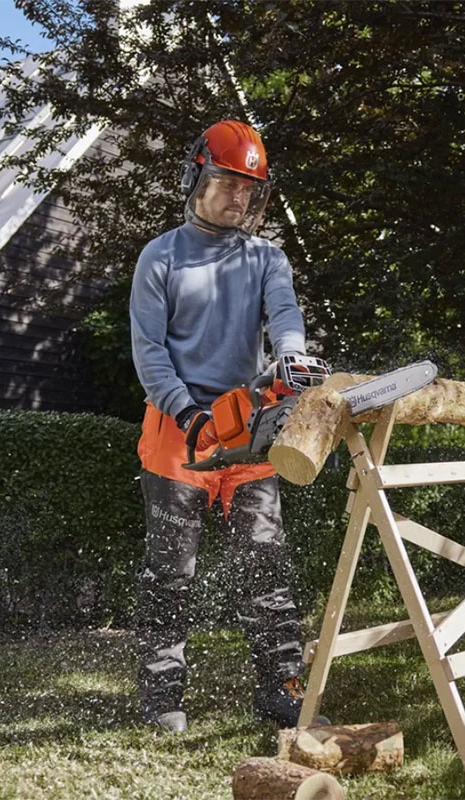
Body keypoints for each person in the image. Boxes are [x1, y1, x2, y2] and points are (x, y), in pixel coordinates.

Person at [130, 120, 313, 733]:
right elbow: (149, 352)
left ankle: (282, 693)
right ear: (196, 178)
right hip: (176, 431)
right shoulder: (161, 256)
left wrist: (290, 357)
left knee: (267, 567)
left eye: (249, 189)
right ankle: (162, 699)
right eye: (227, 183)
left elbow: (285, 316)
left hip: (247, 430)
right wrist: (189, 412)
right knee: (170, 570)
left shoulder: (266, 257)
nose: (238, 197)